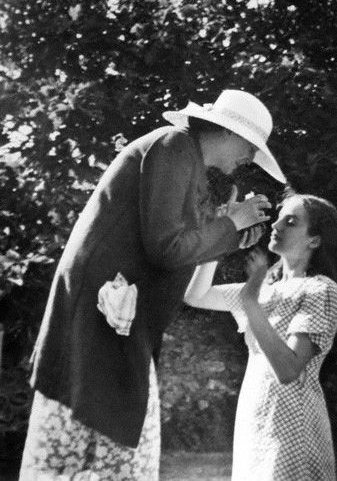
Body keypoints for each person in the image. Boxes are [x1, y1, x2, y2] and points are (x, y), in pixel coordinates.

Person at [19, 89, 286, 480]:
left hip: (117, 319)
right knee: (110, 440)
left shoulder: (183, 158)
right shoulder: (174, 144)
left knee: (109, 439)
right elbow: (166, 248)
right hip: (101, 313)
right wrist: (231, 224)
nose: (249, 159)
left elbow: (177, 242)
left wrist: (226, 227)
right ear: (228, 132)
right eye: (250, 147)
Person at [184, 192, 337, 481]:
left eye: (290, 222)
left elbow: (289, 370)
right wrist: (223, 238)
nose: (276, 226)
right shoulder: (264, 289)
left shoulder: (319, 290)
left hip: (293, 428)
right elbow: (195, 295)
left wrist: (251, 303)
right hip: (256, 420)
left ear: (314, 240)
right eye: (278, 218)